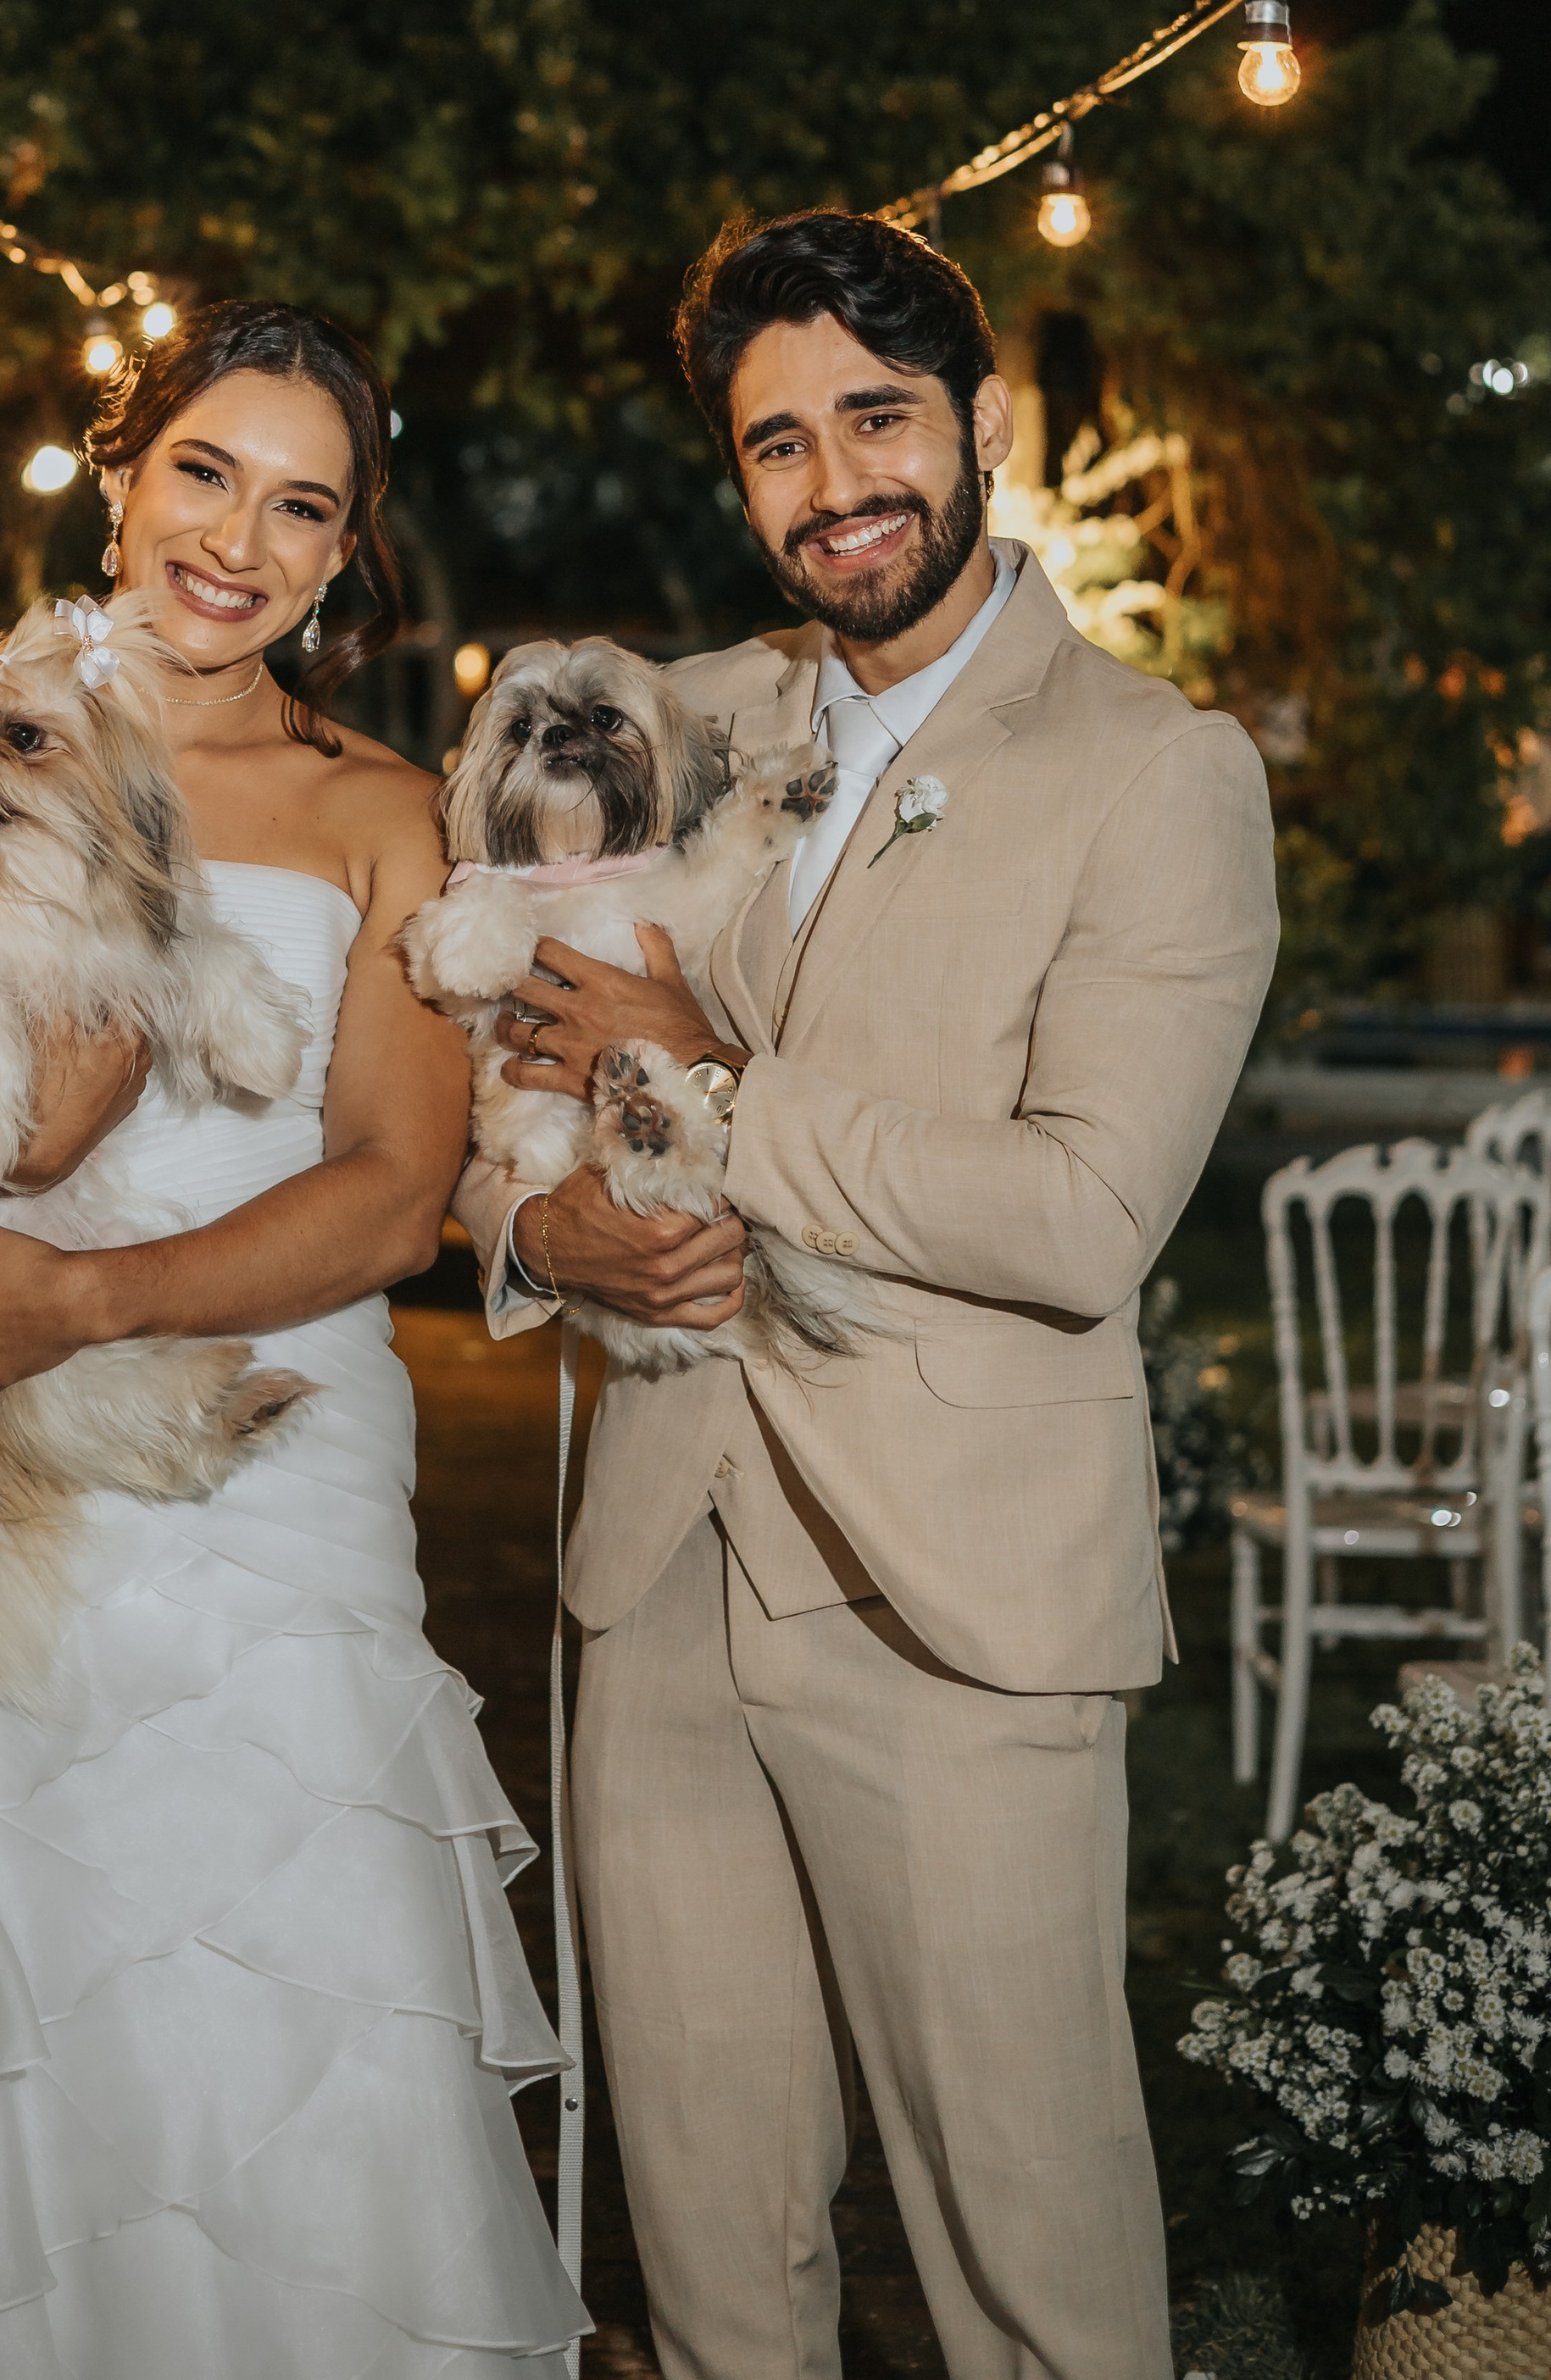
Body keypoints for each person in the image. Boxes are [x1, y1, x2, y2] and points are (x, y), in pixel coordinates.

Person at [0, 298, 588, 2380]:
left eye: (302, 508)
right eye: (203, 473)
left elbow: (384, 1190)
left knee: (287, 1996)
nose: (237, 541)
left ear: (346, 559)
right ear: (115, 470)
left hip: (266, 1462)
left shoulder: (376, 810)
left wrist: (95, 1288)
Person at [453, 211, 1280, 2380]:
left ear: (982, 425)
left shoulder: (1152, 770)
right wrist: (548, 1235)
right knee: (709, 2249)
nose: (833, 487)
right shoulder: (678, 721)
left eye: (876, 419)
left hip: (960, 1600)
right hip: (662, 1569)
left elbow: (1081, 1213)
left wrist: (713, 1093)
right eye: (775, 445)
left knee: (1028, 2257)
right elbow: (506, 1061)